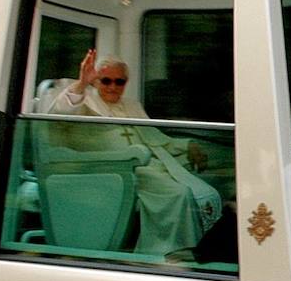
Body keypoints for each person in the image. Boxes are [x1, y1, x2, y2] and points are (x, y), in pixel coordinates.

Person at [46, 50, 222, 259]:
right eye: (106, 81)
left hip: (149, 164)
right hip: (113, 170)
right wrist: (82, 83)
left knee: (202, 190)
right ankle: (166, 252)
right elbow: (58, 115)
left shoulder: (131, 105)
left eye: (119, 82)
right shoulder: (83, 101)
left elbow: (155, 137)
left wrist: (187, 144)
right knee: (180, 194)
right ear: (96, 81)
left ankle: (194, 250)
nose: (113, 86)